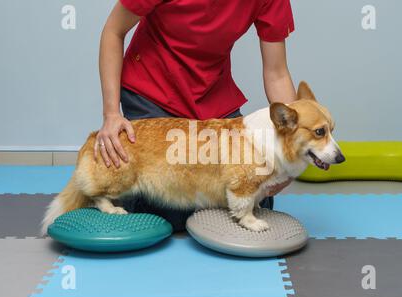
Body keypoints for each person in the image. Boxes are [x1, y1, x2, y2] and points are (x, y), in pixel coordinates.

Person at [95, 0, 297, 231]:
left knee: (255, 189)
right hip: (153, 91)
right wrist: (111, 113)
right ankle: (125, 188)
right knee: (172, 212)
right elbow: (113, 30)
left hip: (212, 100)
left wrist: (291, 147)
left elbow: (277, 73)